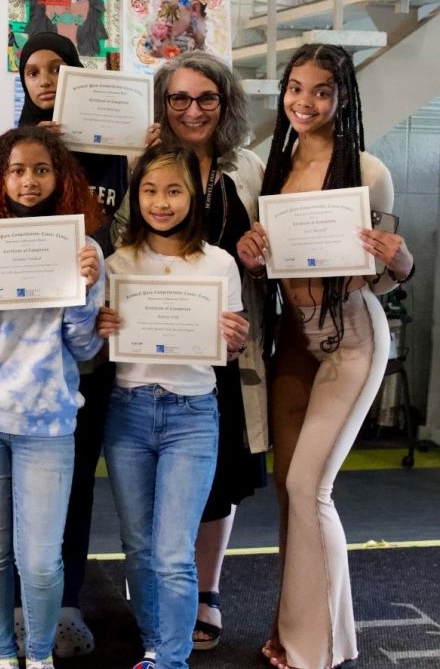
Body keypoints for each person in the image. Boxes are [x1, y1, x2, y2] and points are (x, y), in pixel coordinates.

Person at [236, 44, 414, 669]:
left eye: (321, 91)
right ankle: (297, 632)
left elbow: (393, 270)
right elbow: (264, 270)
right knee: (290, 491)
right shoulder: (271, 168)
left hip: (353, 340)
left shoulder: (368, 169)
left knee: (311, 485)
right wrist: (251, 254)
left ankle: (318, 650)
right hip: (293, 342)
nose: (304, 103)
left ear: (343, 98)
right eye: (295, 88)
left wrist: (397, 257)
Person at [112, 51, 268, 650]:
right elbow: (122, 247)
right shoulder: (140, 164)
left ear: (225, 104)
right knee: (152, 511)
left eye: (207, 98)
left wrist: (263, 250)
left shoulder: (249, 169)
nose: (193, 109)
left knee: (222, 475)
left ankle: (205, 591)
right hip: (149, 356)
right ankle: (163, 608)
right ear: (163, 104)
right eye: (180, 98)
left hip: (225, 343)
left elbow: (275, 245)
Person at [0, 127, 106, 669]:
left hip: (48, 422)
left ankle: (38, 657)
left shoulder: (84, 251)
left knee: (38, 562)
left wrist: (85, 295)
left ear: (60, 176)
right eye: (16, 170)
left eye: (40, 169)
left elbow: (82, 346)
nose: (28, 181)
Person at [97, 143, 248, 669]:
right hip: (129, 412)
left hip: (192, 416)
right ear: (136, 196)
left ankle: (171, 661)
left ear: (193, 197)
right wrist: (100, 331)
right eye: (150, 190)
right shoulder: (116, 263)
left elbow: (230, 349)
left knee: (172, 552)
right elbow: (94, 348)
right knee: (138, 547)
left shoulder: (219, 263)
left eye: (174, 190)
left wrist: (235, 339)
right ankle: (156, 643)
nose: (161, 203)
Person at [17, 32, 128, 656]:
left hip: (85, 341)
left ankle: (66, 603)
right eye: (32, 70)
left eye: (56, 68)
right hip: (21, 348)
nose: (44, 79)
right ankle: (18, 594)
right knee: (18, 484)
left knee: (76, 477)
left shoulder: (112, 151)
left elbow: (105, 228)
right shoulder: (12, 152)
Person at [22, 0, 109, 61]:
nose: (67, 7)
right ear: (42, 5)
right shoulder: (34, 49)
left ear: (90, 5)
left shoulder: (98, 52)